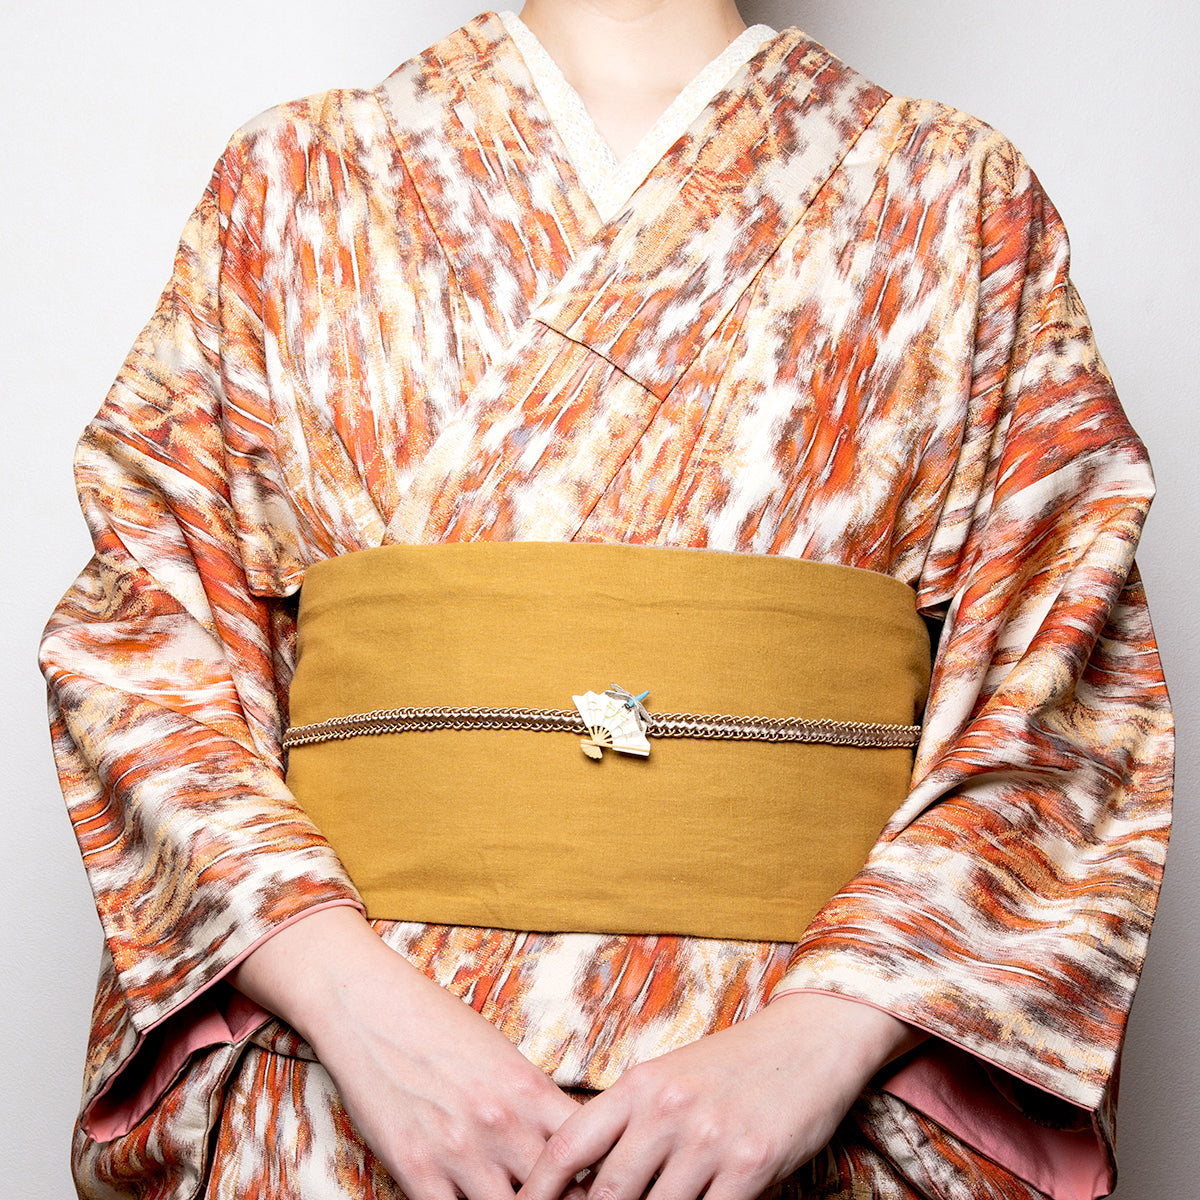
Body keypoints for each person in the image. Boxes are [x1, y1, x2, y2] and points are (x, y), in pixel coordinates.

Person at [39, 2, 1173, 1198]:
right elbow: (146, 651)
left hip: (812, 1103)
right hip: (340, 1091)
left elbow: (1066, 694)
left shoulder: (956, 193)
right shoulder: (290, 180)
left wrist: (823, 1038)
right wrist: (354, 1006)